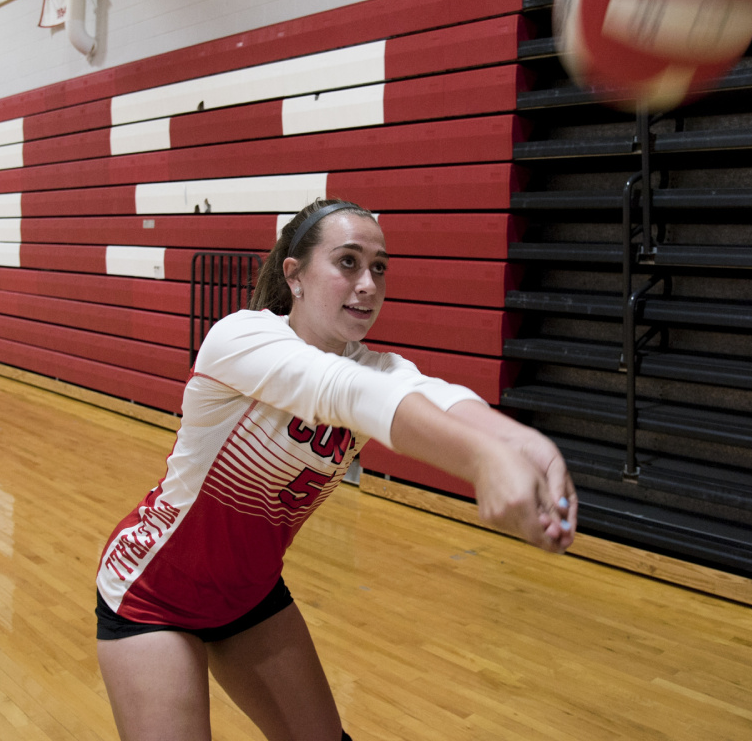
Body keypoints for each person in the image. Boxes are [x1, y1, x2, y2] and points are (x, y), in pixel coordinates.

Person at [95, 198, 578, 741]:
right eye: (348, 262)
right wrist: (482, 459)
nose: (368, 283)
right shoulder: (241, 338)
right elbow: (348, 393)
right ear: (295, 276)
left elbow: (437, 397)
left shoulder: (376, 366)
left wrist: (527, 443)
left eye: (379, 267)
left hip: (249, 593)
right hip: (154, 592)